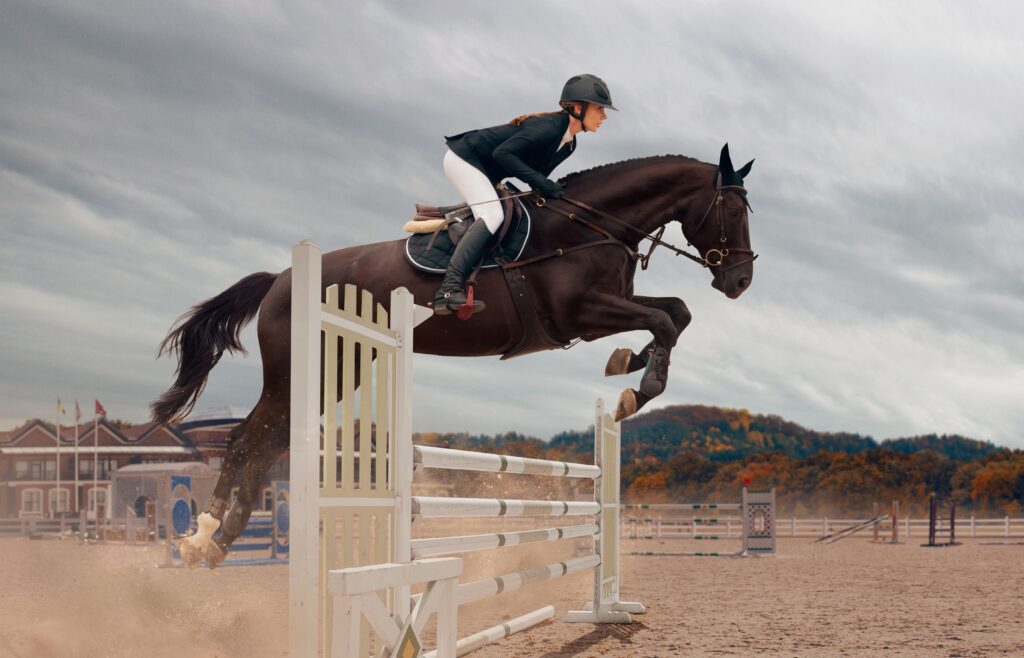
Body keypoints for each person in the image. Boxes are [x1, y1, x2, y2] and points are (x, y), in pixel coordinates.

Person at [432, 74, 617, 316]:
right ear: (577, 108)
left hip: (487, 170)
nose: (603, 116)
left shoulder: (569, 145)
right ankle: (448, 289)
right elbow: (503, 154)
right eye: (599, 109)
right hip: (464, 158)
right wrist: (543, 183)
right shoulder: (549, 128)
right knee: (492, 215)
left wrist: (551, 190)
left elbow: (535, 174)